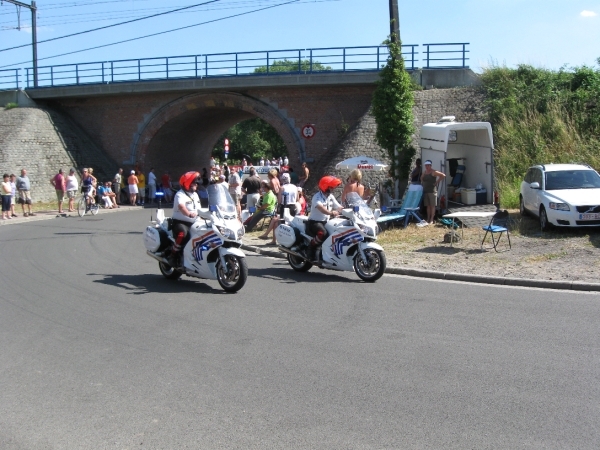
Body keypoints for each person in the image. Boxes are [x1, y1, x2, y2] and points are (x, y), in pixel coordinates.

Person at [306, 176, 344, 261]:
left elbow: (338, 206)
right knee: (323, 233)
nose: (333, 189)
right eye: (331, 187)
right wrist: (331, 213)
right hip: (315, 222)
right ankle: (310, 247)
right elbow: (320, 208)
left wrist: (347, 210)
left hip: (326, 222)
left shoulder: (330, 196)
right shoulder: (317, 197)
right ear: (325, 186)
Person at [167, 171, 201, 267]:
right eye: (194, 182)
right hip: (180, 222)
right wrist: (189, 214)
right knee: (183, 234)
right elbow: (182, 207)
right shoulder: (180, 195)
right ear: (188, 183)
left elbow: (200, 209)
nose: (196, 184)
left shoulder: (195, 195)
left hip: (195, 222)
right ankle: (172, 256)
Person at [261, 172, 297, 244]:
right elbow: (297, 198)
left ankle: (273, 239)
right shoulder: (295, 187)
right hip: (293, 206)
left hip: (285, 207)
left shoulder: (282, 188)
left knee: (279, 223)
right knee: (286, 223)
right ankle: (273, 239)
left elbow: (280, 201)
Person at [421, 159, 446, 224]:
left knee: (432, 206)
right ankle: (428, 218)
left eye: (428, 166)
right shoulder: (424, 172)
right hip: (426, 191)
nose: (427, 167)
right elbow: (421, 178)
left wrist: (437, 182)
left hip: (432, 191)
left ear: (430, 166)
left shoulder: (434, 172)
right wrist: (422, 182)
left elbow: (443, 175)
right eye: (426, 165)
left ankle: (432, 219)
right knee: (428, 206)